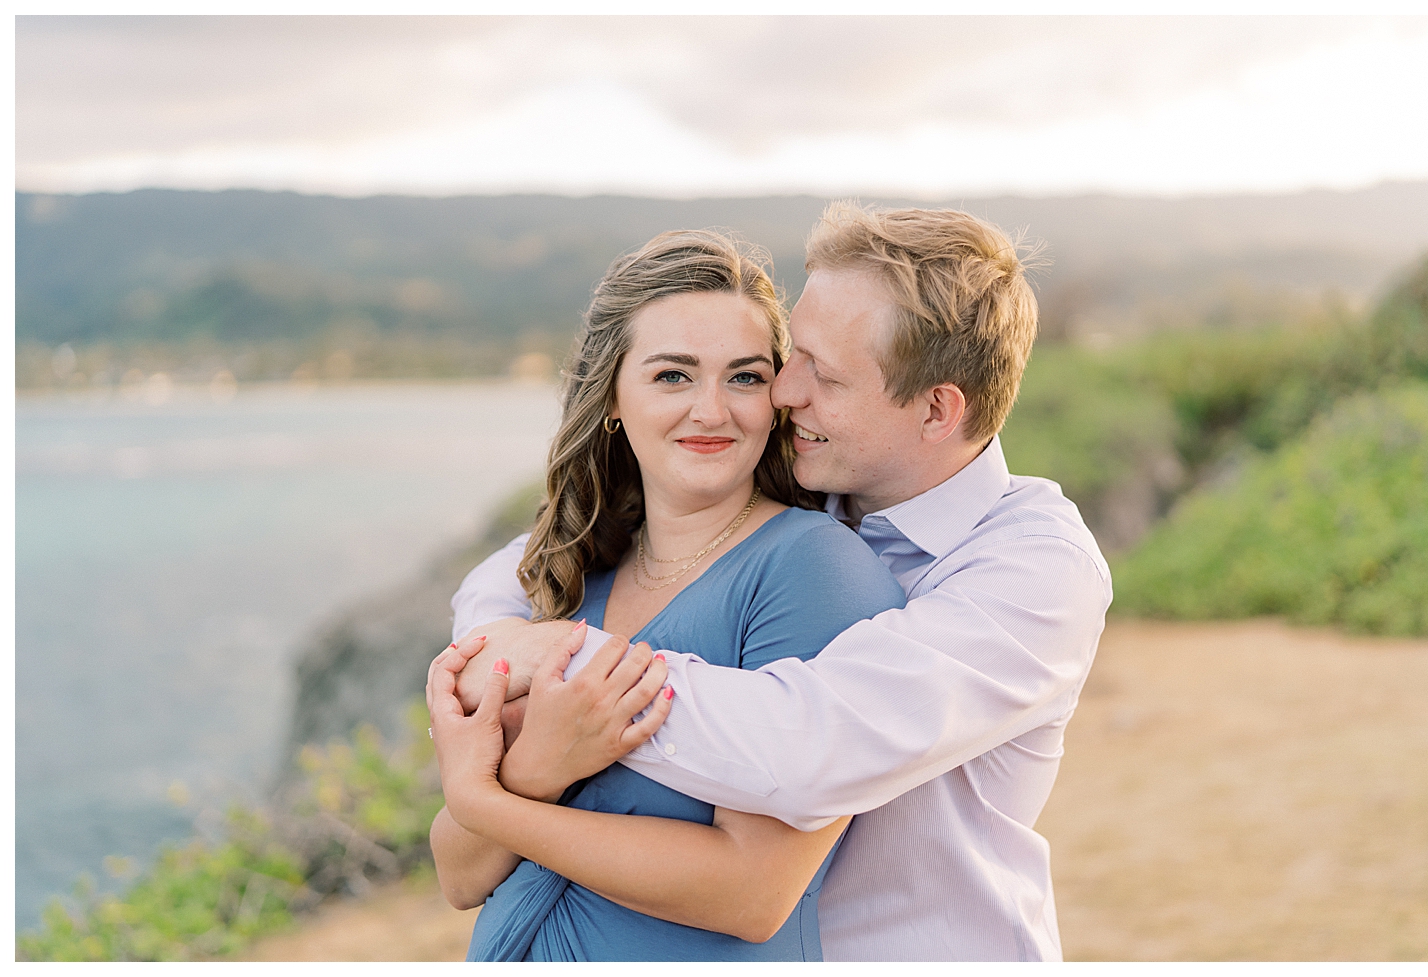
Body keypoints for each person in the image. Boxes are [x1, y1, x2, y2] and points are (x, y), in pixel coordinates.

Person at [449, 202, 1114, 961]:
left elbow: (805, 747)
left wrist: (557, 674)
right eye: (789, 356)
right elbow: (522, 566)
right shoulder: (816, 489)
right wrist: (500, 639)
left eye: (821, 374)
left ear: (937, 409)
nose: (783, 391)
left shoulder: (1031, 569)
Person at [427, 229, 906, 961]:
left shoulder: (813, 570)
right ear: (612, 396)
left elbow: (754, 893)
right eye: (673, 376)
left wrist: (489, 799)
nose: (712, 411)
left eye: (744, 377)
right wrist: (537, 769)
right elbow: (459, 872)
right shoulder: (576, 574)